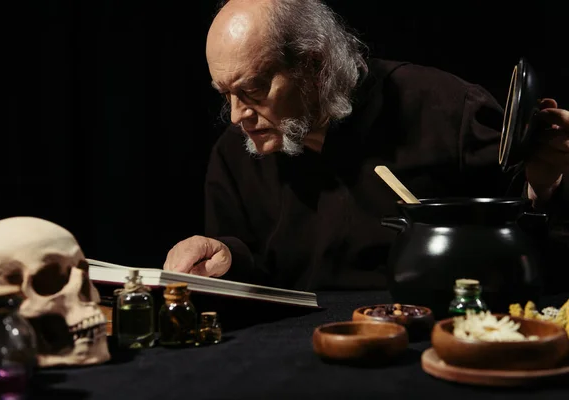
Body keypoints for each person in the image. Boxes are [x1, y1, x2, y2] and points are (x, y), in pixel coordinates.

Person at [164, 0, 569, 292]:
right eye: (225, 94)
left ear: (313, 65)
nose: (237, 115)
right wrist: (225, 256)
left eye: (253, 88)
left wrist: (545, 188)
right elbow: (254, 272)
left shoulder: (446, 107)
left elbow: (527, 236)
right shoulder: (234, 154)